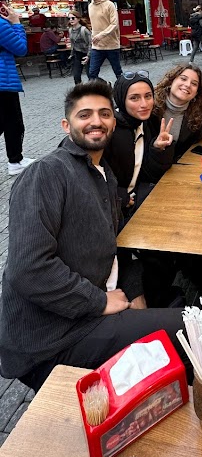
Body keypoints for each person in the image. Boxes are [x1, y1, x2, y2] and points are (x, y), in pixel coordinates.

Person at [0, 80, 188, 393]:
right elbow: (29, 269)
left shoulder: (103, 176)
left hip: (96, 305)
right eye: (84, 115)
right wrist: (99, 301)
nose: (96, 121)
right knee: (197, 329)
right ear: (66, 125)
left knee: (170, 289)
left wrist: (134, 292)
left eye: (104, 113)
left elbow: (116, 248)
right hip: (54, 339)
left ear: (114, 122)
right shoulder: (47, 173)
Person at [104, 71, 177, 213]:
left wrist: (157, 149)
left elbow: (148, 173)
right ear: (121, 100)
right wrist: (120, 197)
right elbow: (92, 175)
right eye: (134, 98)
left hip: (139, 197)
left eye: (148, 96)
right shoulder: (109, 130)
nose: (144, 104)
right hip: (113, 210)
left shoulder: (148, 122)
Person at [0, 0, 35, 177]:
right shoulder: (1, 24)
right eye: (5, 0)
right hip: (3, 81)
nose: (7, 4)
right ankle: (15, 160)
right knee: (13, 124)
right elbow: (21, 48)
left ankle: (16, 159)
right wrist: (16, 23)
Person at [153, 63, 202, 162]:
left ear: (196, 93)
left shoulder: (197, 115)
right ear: (171, 81)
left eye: (194, 84)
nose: (188, 85)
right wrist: (156, 147)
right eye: (183, 79)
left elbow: (197, 140)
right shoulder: (151, 108)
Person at [87, 0, 122, 79]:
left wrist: (100, 35)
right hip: (97, 46)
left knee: (118, 72)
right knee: (92, 73)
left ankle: (122, 88)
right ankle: (103, 86)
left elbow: (114, 24)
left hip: (111, 45)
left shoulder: (109, 5)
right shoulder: (90, 6)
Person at [68, 10, 91, 84]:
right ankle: (80, 90)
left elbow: (90, 43)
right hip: (77, 54)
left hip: (86, 54)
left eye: (73, 18)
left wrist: (88, 56)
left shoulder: (84, 30)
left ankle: (103, 85)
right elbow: (72, 43)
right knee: (76, 76)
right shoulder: (70, 30)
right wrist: (71, 54)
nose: (71, 20)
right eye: (69, 18)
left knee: (91, 75)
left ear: (78, 19)